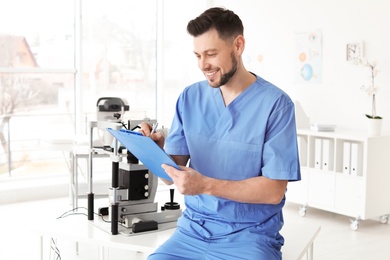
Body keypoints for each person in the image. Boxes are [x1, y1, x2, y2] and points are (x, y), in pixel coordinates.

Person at [141, 7, 301, 260]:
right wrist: (154, 150)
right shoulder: (190, 98)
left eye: (211, 54)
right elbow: (170, 178)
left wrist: (205, 185)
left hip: (249, 236)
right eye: (197, 55)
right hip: (192, 232)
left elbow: (273, 191)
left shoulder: (276, 105)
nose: (203, 65)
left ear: (238, 45)